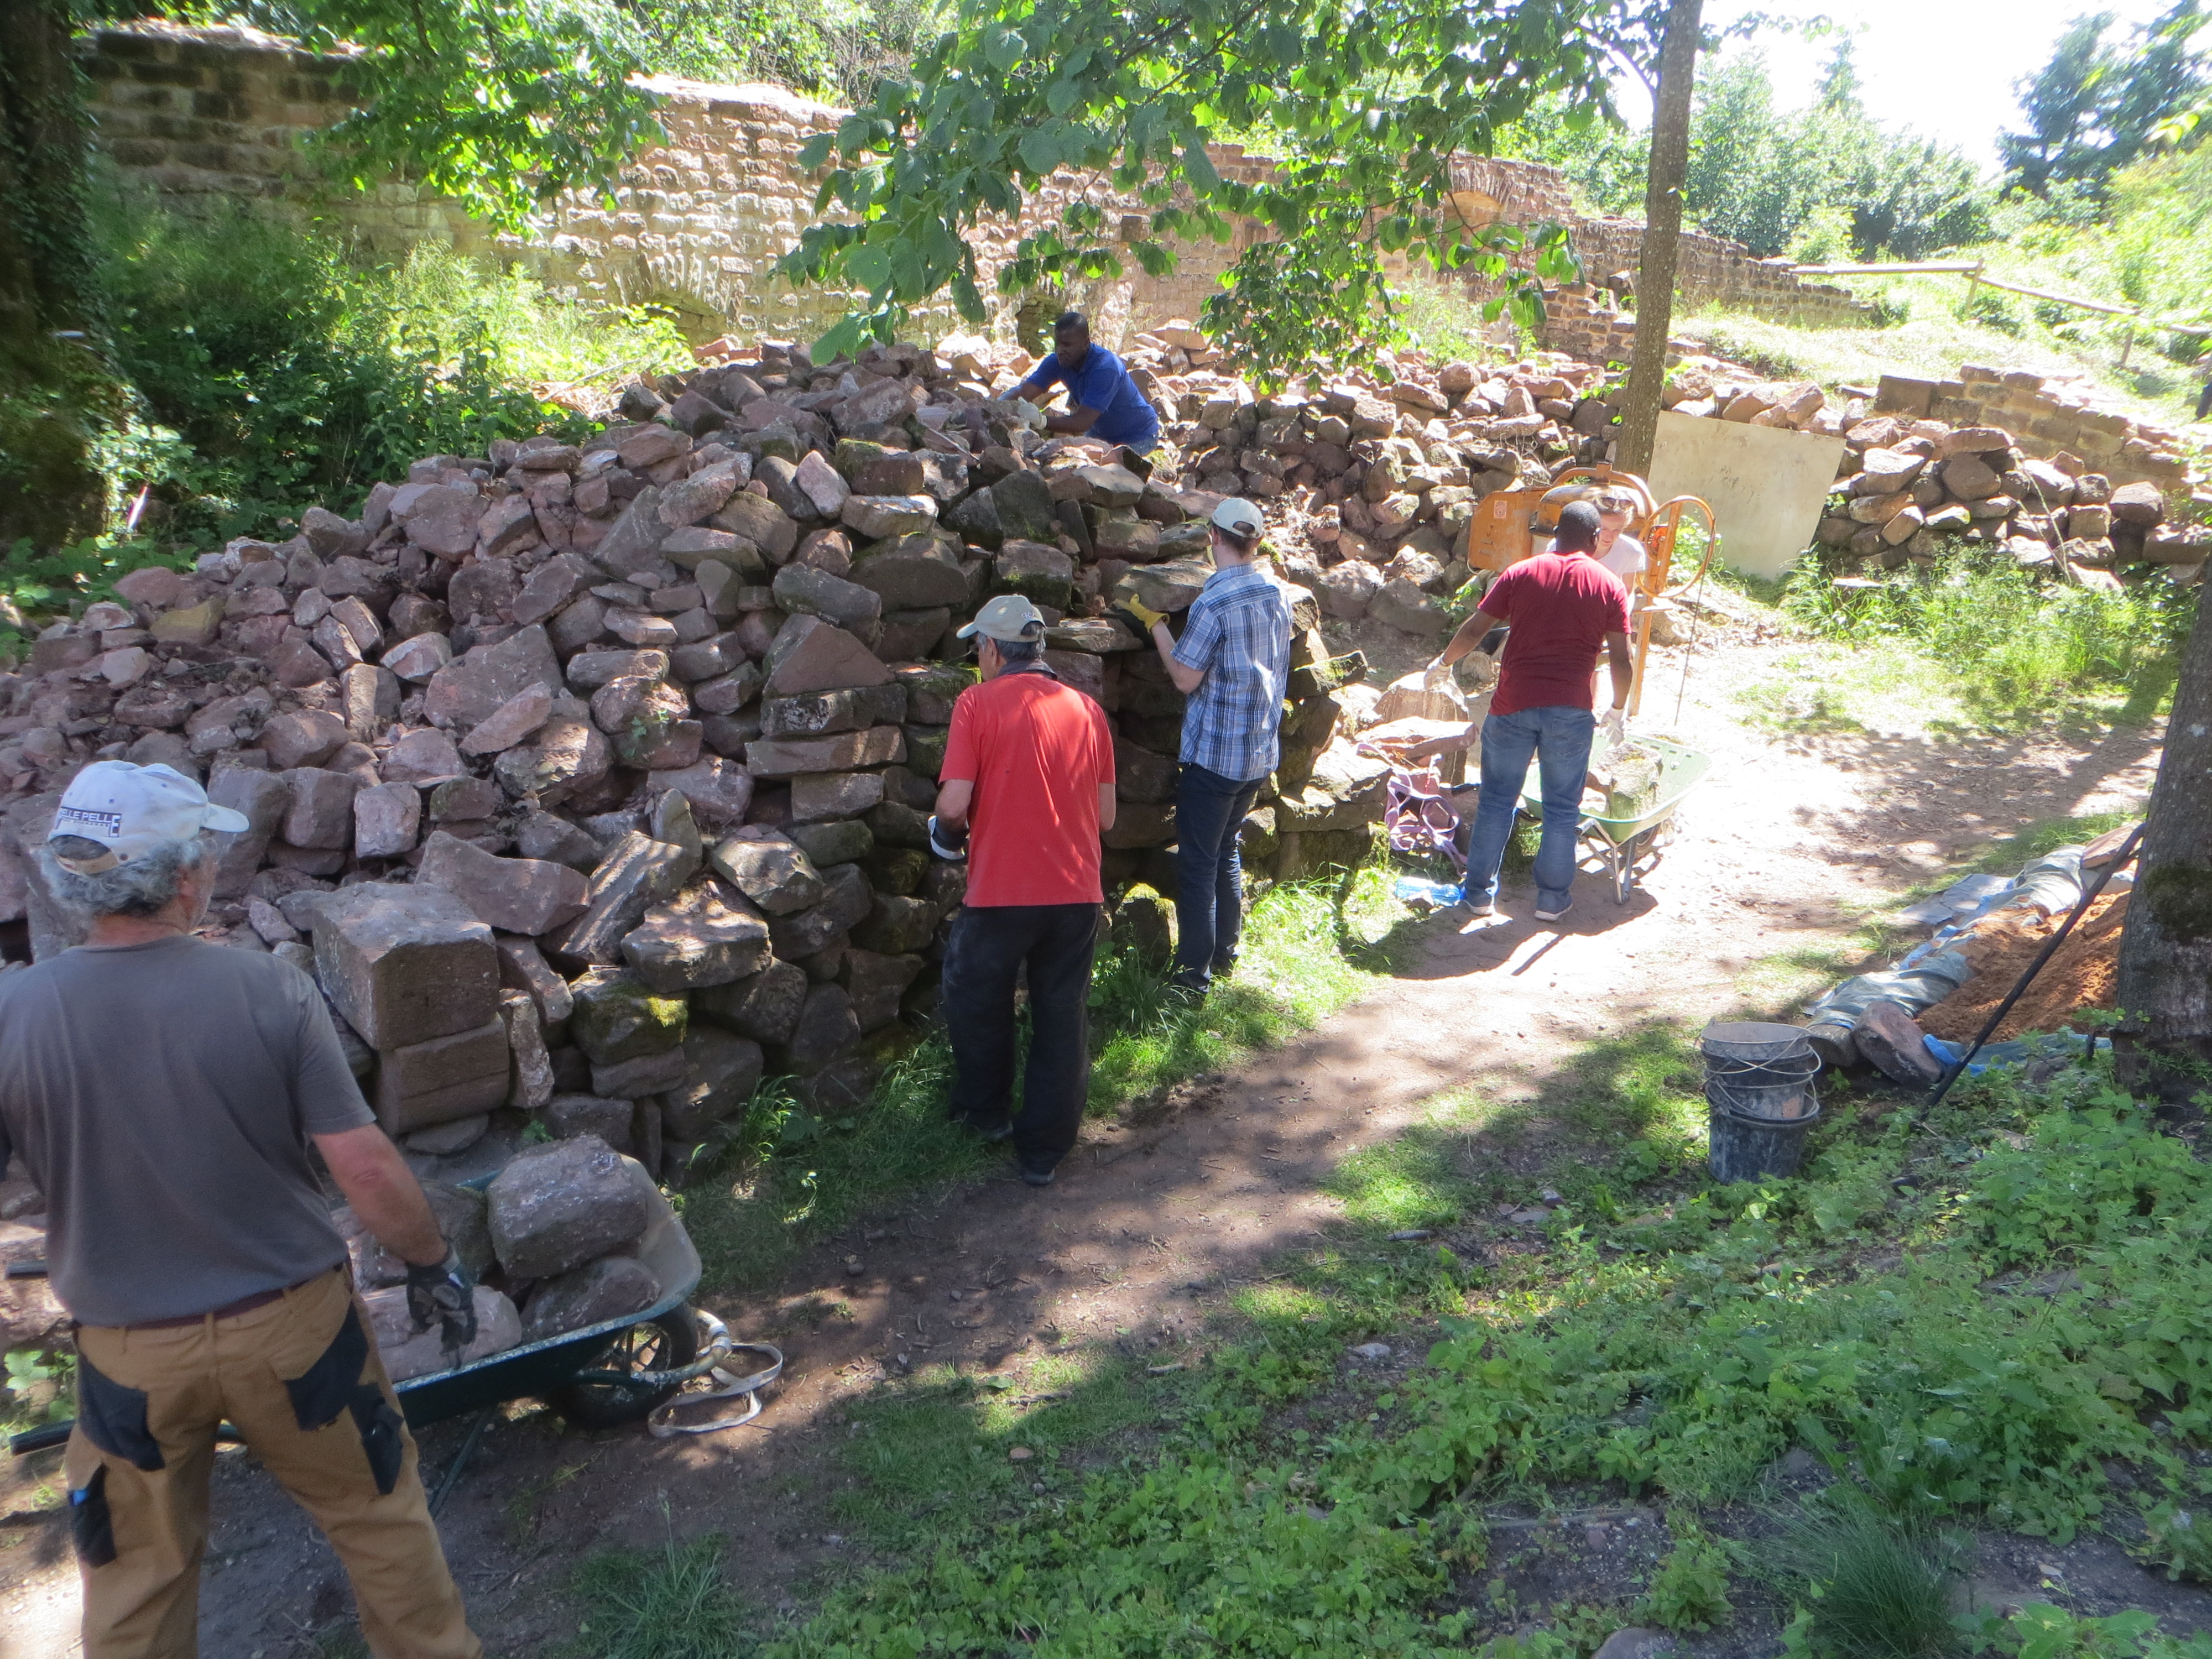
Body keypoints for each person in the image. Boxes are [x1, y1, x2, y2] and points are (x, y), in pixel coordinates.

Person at [0, 761, 483, 1658]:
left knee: (135, 1576)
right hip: (296, 1336)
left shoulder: (13, 1012)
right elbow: (364, 1170)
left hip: (130, 1359)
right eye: (206, 854)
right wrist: (431, 1263)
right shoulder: (266, 989)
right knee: (378, 1519)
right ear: (184, 876)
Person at [932, 596, 1118, 1187]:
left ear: (991, 649)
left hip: (1000, 893)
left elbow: (953, 805)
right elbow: (1106, 817)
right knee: (1062, 1014)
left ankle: (984, 1114)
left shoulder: (976, 703)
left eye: (977, 648)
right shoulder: (1088, 710)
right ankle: (1044, 1151)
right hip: (1076, 893)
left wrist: (945, 836)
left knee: (975, 996)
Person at [1113, 498, 1293, 995]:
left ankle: (1193, 977)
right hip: (1257, 754)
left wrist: (1156, 625)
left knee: (1196, 864)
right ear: (1257, 541)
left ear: (1213, 537)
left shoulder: (1214, 603)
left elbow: (1185, 678)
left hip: (1214, 759)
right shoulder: (1276, 593)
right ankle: (1225, 953)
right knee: (1225, 849)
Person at [1428, 500, 1632, 924]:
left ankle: (1479, 895)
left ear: (1556, 535)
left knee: (1496, 801)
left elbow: (1476, 628)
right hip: (1570, 711)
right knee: (1562, 808)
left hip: (1513, 706)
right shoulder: (1609, 585)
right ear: (1595, 539)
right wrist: (1617, 709)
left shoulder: (1521, 572)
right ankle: (1552, 901)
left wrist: (1443, 664)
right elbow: (1621, 657)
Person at [1011, 310, 1162, 458]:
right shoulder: (1057, 362)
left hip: (1137, 436)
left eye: (1067, 345)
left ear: (1085, 343)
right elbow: (1024, 391)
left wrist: (1041, 421)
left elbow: (1081, 423)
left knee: (1111, 471)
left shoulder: (1106, 368)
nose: (1060, 351)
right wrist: (999, 404)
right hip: (1100, 434)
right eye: (1057, 344)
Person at [1592, 490, 1649, 587]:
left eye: (1617, 530)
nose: (1609, 536)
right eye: (1603, 529)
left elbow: (1627, 590)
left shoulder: (1631, 550)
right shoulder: (1572, 545)